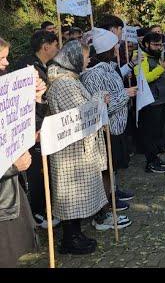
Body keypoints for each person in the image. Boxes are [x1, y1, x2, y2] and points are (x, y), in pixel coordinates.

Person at [46, 40, 111, 254]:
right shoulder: (64, 83)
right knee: (71, 196)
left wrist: (98, 100)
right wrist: (99, 99)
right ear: (73, 58)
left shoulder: (70, 78)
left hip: (76, 149)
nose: (89, 59)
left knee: (77, 198)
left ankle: (74, 235)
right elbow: (79, 114)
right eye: (85, 57)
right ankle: (69, 239)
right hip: (70, 152)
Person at [81, 28, 135, 230]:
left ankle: (109, 201)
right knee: (105, 171)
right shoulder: (93, 75)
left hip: (117, 129)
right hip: (106, 129)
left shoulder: (109, 68)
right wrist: (126, 94)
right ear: (107, 49)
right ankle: (102, 212)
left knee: (112, 170)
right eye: (115, 45)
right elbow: (102, 107)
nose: (118, 47)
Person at [0, 37, 41, 267]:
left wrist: (33, 100)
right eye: (1, 58)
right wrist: (13, 165)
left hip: (10, 196)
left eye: (7, 57)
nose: (6, 64)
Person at [12, 30, 59, 229]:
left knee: (42, 170)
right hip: (32, 131)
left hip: (41, 126)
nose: (58, 48)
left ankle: (43, 208)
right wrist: (34, 127)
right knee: (35, 173)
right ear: (45, 46)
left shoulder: (44, 66)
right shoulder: (26, 67)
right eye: (56, 44)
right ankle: (37, 212)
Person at [135, 32, 165, 173]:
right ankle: (150, 163)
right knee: (150, 133)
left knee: (157, 133)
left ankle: (155, 158)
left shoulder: (154, 57)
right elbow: (144, 78)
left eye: (160, 44)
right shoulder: (141, 57)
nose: (159, 47)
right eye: (155, 45)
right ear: (146, 44)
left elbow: (161, 73)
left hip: (160, 100)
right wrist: (162, 68)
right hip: (150, 102)